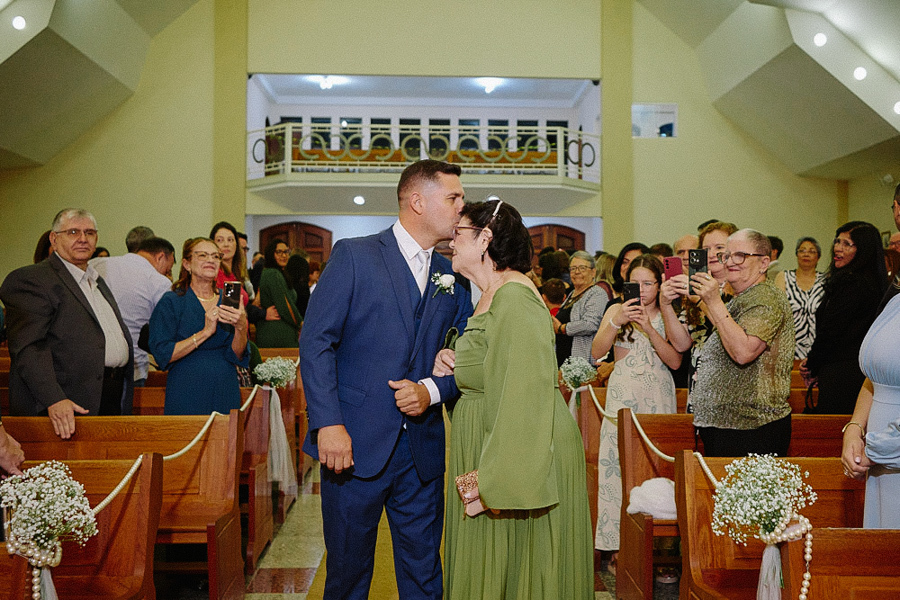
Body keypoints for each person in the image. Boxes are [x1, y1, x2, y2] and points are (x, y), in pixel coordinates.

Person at [299, 160, 473, 600]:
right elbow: (316, 343)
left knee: (424, 576)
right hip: (353, 448)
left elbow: (472, 359)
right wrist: (329, 425)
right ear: (418, 201)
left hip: (422, 450)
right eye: (453, 198)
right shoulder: (355, 255)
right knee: (348, 576)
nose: (461, 208)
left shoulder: (455, 275)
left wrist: (433, 391)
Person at [433, 199, 592, 600]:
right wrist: (455, 359)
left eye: (459, 233)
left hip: (514, 454)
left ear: (485, 238)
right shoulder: (492, 292)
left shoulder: (516, 298)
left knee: (520, 572)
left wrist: (494, 485)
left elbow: (524, 394)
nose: (451, 242)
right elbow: (495, 365)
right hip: (491, 441)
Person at [0, 209, 133, 438]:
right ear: (54, 238)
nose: (83, 238)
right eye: (73, 232)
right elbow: (29, 347)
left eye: (89, 232)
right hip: (63, 405)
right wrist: (54, 398)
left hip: (108, 396)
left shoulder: (96, 280)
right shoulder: (32, 279)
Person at [590, 254, 680, 569]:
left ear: (659, 284)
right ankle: (616, 544)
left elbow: (675, 361)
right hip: (623, 391)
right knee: (616, 463)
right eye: (635, 283)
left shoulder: (669, 311)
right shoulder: (617, 309)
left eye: (647, 283)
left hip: (658, 391)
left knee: (655, 464)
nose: (641, 290)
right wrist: (618, 321)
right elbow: (596, 352)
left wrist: (649, 328)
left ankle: (662, 546)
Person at [687, 229, 794, 457]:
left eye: (740, 256)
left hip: (753, 428)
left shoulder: (767, 297)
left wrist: (713, 301)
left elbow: (743, 352)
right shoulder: (743, 297)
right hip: (731, 427)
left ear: (764, 262)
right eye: (726, 256)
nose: (729, 262)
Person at [148, 238, 249, 415]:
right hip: (187, 387)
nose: (210, 260)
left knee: (226, 440)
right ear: (187, 264)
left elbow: (238, 353)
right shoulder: (172, 301)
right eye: (202, 255)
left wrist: (241, 327)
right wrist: (204, 333)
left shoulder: (229, 297)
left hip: (224, 387)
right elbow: (163, 353)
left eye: (215, 256)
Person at [801, 222, 888, 414]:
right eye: (837, 241)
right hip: (862, 374)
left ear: (863, 250)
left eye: (848, 244)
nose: (838, 248)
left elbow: (831, 331)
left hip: (842, 373)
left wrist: (812, 364)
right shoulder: (874, 283)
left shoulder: (852, 283)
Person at [660, 221, 737, 403]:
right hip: (699, 375)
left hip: (731, 375)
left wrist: (702, 300)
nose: (711, 254)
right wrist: (665, 304)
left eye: (719, 247)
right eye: (705, 249)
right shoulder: (695, 287)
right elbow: (681, 344)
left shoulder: (740, 288)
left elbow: (733, 334)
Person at [840, 293, 900, 528]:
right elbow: (875, 378)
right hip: (880, 467)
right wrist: (854, 429)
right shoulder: (895, 302)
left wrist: (878, 450)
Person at [90, 237, 176, 386]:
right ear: (161, 257)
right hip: (133, 366)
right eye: (167, 270)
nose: (167, 274)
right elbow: (166, 329)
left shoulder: (97, 264)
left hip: (92, 362)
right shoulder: (159, 282)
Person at [551, 251, 608, 367]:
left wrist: (562, 328)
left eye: (582, 268)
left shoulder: (597, 293)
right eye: (573, 268)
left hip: (581, 361)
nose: (577, 272)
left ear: (593, 272)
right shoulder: (571, 294)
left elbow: (590, 324)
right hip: (562, 359)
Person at [774, 237, 825, 360]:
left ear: (818, 257)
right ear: (796, 255)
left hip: (818, 348)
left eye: (812, 251)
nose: (806, 254)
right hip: (788, 347)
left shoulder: (825, 280)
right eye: (802, 250)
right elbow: (776, 312)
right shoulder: (784, 277)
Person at [256, 239, 302, 347]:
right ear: (271, 254)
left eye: (286, 252)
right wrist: (300, 323)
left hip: (279, 331)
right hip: (276, 334)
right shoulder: (272, 273)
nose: (284, 255)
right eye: (279, 252)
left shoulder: (278, 273)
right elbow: (285, 305)